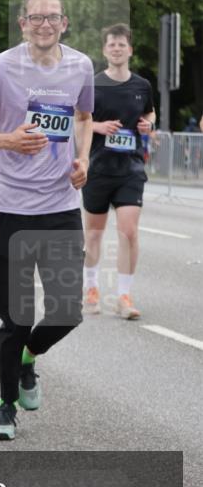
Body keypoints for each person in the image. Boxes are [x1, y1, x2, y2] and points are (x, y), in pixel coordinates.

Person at [0, 0, 93, 441]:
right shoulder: (1, 67)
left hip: (60, 206)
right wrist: (9, 140)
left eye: (52, 18)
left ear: (64, 23)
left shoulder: (80, 66)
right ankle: (4, 404)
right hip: (11, 206)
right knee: (15, 315)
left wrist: (84, 158)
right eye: (36, 18)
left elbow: (84, 117)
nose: (44, 25)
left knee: (68, 310)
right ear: (23, 24)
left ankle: (28, 358)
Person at [82, 24, 156, 320]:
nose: (116, 49)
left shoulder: (142, 86)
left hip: (130, 168)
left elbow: (149, 112)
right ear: (104, 50)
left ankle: (124, 295)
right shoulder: (93, 85)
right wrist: (98, 127)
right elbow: (80, 120)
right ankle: (91, 288)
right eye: (111, 45)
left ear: (130, 50)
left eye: (121, 44)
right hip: (98, 168)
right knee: (94, 235)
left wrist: (149, 124)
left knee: (128, 231)